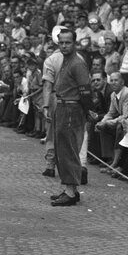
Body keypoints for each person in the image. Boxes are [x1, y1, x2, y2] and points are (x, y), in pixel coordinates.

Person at [50, 28, 92, 206]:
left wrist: (88, 110)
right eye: (61, 42)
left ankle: (71, 191)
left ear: (74, 43)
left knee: (69, 149)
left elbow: (85, 90)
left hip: (71, 108)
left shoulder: (77, 63)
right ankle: (70, 188)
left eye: (68, 42)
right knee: (62, 149)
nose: (64, 45)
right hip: (62, 106)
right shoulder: (66, 60)